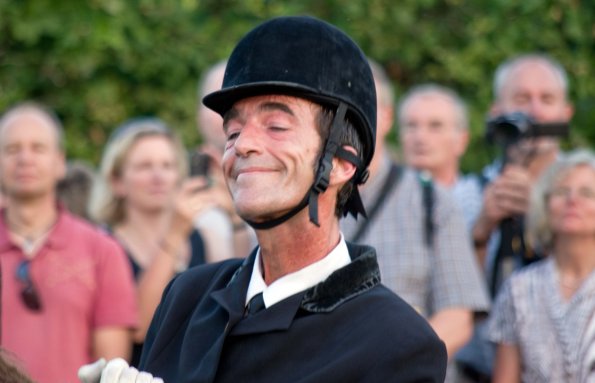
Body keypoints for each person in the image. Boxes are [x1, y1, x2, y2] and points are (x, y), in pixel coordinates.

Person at [79, 15, 447, 383]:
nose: (243, 145)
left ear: (340, 163)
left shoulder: (397, 342)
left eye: (276, 126)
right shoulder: (186, 299)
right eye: (233, 130)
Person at [341, 60, 489, 382]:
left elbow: (458, 316)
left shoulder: (432, 200)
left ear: (388, 118)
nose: (353, 117)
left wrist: (391, 367)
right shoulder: (298, 201)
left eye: (365, 105)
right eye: (341, 106)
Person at [0, 102, 138, 383]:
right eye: (12, 149)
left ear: (60, 162)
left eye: (38, 148)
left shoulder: (102, 250)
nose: (25, 158)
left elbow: (110, 369)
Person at [457, 53, 575, 381]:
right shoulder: (463, 196)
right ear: (497, 112)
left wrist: (541, 218)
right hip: (476, 370)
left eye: (546, 99)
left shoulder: (587, 191)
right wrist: (481, 230)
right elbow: (448, 300)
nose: (534, 111)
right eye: (522, 98)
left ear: (565, 114)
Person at [88, 117, 215, 367]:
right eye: (144, 166)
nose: (159, 177)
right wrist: (174, 236)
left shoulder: (198, 237)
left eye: (168, 165)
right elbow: (140, 327)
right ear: (117, 181)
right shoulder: (103, 244)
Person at [487, 149, 595, 382]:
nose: (572, 200)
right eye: (562, 191)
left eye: (587, 192)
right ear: (544, 204)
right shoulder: (519, 288)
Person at [398, 83, 482, 230]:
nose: (420, 137)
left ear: (462, 140)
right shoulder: (379, 200)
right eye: (411, 126)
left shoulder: (480, 203)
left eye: (435, 126)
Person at [194, 60, 255, 261]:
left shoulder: (273, 173)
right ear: (199, 115)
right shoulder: (172, 175)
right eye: (216, 105)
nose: (225, 116)